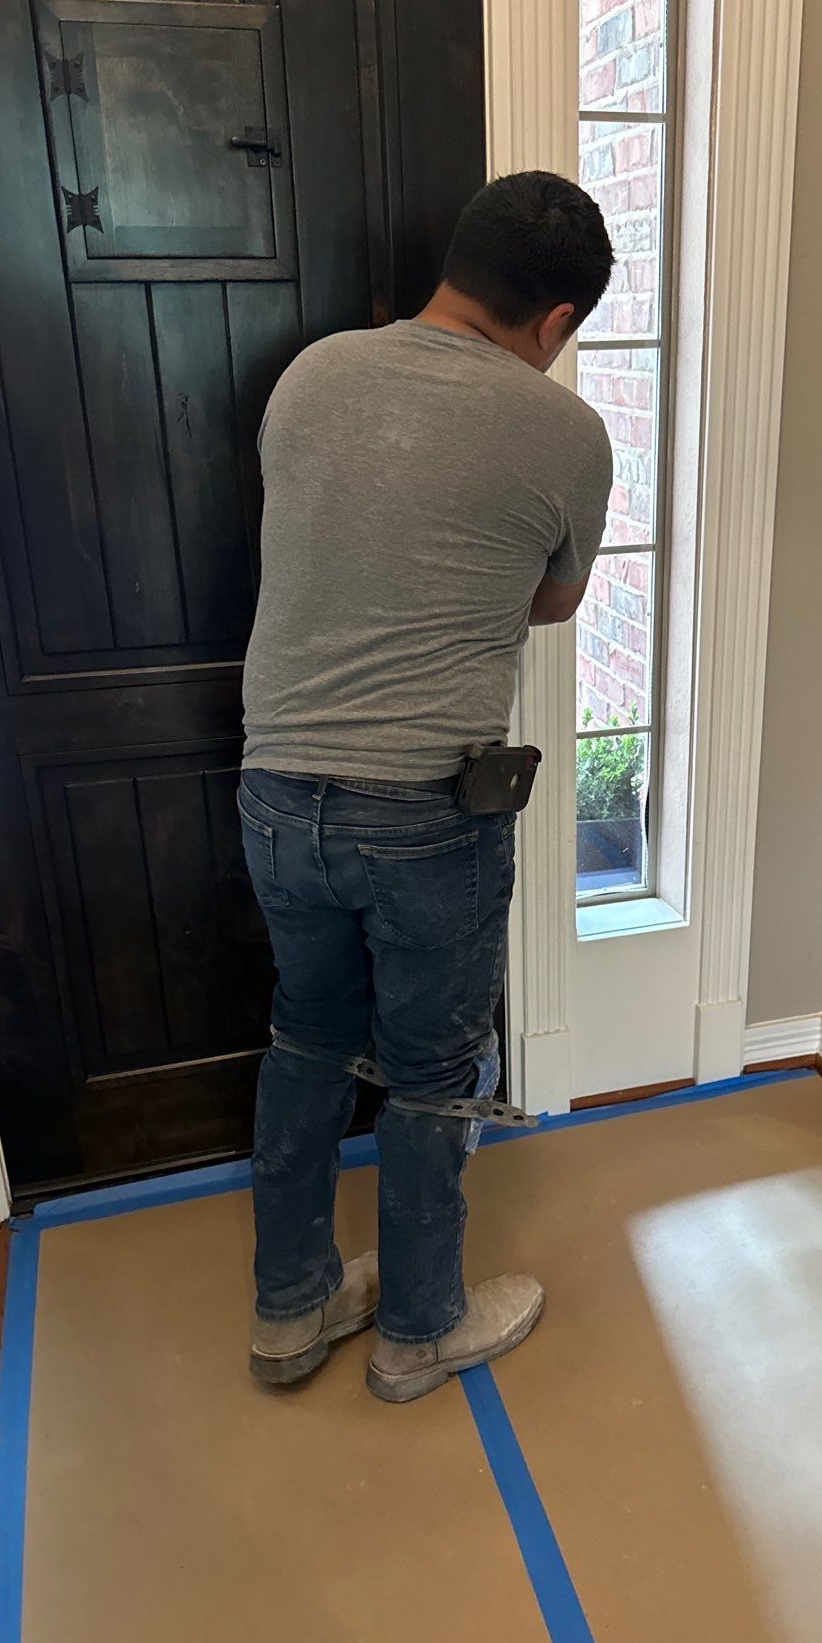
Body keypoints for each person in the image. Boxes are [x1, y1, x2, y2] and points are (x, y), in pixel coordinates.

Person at [238, 171, 614, 1402]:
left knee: (305, 1040)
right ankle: (418, 1333)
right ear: (556, 320)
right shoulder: (565, 433)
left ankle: (291, 1310)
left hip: (275, 790)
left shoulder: (311, 377)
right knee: (434, 1075)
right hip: (427, 809)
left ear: (455, 266)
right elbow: (551, 601)